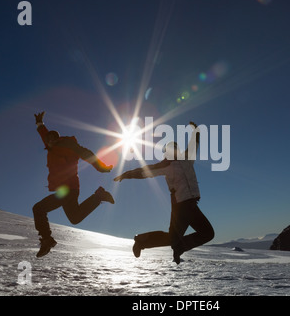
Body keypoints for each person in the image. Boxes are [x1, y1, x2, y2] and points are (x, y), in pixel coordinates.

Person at [114, 122, 214, 264]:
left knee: (175, 238)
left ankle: (143, 241)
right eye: (170, 150)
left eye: (175, 148)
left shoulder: (187, 159)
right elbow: (145, 171)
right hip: (181, 205)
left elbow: (194, 144)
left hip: (190, 204)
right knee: (206, 233)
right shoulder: (165, 165)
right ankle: (177, 246)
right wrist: (127, 174)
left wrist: (196, 132)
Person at [33, 111, 115, 257]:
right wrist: (40, 123)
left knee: (39, 209)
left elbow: (87, 154)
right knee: (75, 218)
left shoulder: (69, 146)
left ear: (57, 139)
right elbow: (44, 135)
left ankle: (47, 239)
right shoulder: (51, 146)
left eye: (52, 139)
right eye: (47, 140)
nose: (49, 142)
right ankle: (99, 196)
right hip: (68, 190)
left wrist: (101, 167)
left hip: (68, 189)